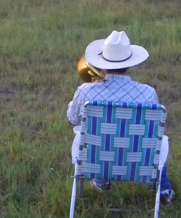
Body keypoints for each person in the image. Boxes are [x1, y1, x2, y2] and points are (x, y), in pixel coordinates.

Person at [67, 30, 175, 204]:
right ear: (129, 64)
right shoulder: (148, 93)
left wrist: (92, 87)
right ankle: (163, 191)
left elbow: (72, 119)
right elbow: (153, 130)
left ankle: (101, 181)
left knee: (99, 139)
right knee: (156, 142)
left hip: (98, 159)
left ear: (102, 63)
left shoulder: (86, 91)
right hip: (138, 163)